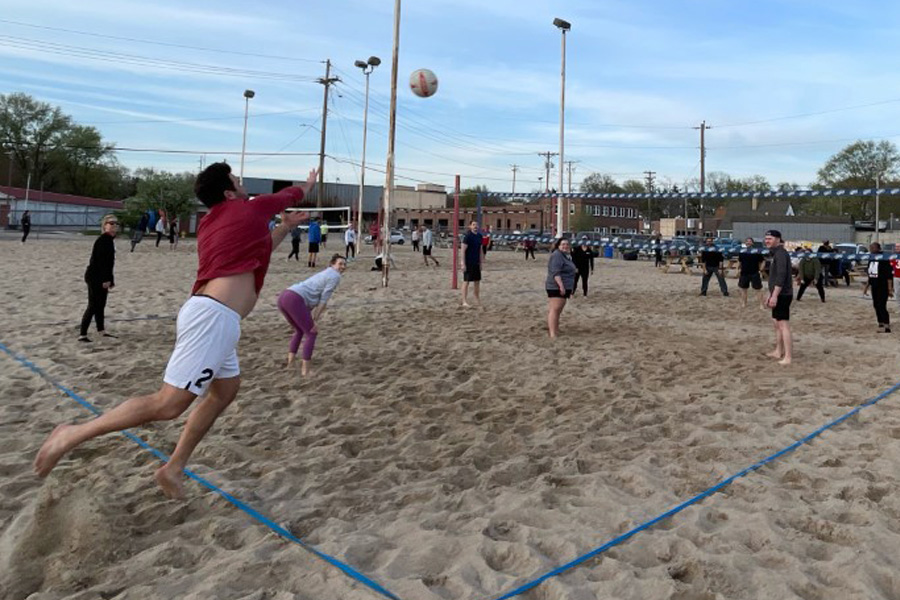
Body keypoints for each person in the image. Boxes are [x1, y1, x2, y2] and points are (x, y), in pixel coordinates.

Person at [35, 163, 317, 499]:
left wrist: (284, 227)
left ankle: (173, 467)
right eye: (236, 180)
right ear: (229, 193)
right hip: (213, 318)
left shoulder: (219, 222)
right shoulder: (247, 209)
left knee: (226, 391)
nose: (242, 183)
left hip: (216, 318)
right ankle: (71, 434)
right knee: (168, 405)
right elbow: (290, 194)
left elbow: (257, 252)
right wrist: (309, 183)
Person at [278, 254, 346, 377]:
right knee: (312, 332)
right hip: (294, 298)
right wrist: (315, 319)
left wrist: (311, 317)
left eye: (344, 264)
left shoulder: (325, 273)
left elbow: (309, 302)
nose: (343, 267)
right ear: (332, 264)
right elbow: (323, 300)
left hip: (284, 296)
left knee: (299, 330)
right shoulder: (334, 276)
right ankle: (306, 371)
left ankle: (290, 363)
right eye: (340, 264)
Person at [78, 214, 119, 343]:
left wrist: (110, 279)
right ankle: (82, 334)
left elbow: (109, 263)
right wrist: (105, 279)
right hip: (95, 276)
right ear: (105, 225)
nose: (113, 226)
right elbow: (101, 263)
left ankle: (101, 330)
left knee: (101, 304)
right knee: (93, 305)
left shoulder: (109, 240)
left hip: (101, 276)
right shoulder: (103, 240)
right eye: (111, 223)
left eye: (115, 224)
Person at [765, 230, 793, 365]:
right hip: (777, 293)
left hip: (783, 294)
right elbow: (773, 277)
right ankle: (778, 351)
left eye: (770, 238)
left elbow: (781, 277)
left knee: (783, 325)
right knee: (776, 324)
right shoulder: (775, 253)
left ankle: (788, 356)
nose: (767, 241)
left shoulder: (781, 254)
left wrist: (774, 295)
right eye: (766, 238)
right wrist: (769, 294)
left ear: (778, 240)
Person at [546, 238, 577, 339]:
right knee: (555, 309)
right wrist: (561, 286)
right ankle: (552, 333)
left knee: (557, 310)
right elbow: (556, 273)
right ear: (558, 246)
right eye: (563, 244)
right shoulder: (557, 255)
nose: (565, 246)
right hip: (556, 287)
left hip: (564, 285)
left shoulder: (565, 256)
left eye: (567, 244)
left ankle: (555, 329)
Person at [862, 242, 893, 333]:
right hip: (874, 285)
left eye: (872, 247)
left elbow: (889, 276)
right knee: (876, 305)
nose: (871, 249)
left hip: (883, 286)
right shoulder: (871, 258)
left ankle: (887, 326)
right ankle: (881, 322)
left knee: (882, 305)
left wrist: (890, 289)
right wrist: (866, 287)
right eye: (870, 247)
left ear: (878, 248)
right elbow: (870, 275)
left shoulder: (884, 259)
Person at [737, 237, 766, 309]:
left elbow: (763, 261)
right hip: (744, 273)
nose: (748, 242)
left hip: (754, 273)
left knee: (758, 289)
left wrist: (761, 269)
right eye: (747, 241)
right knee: (743, 289)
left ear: (752, 243)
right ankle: (744, 304)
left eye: (750, 241)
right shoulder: (742, 252)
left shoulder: (756, 251)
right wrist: (738, 270)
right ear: (745, 243)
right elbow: (739, 261)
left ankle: (761, 305)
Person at [460, 221, 483, 308]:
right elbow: (462, 250)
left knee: (477, 281)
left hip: (476, 262)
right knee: (466, 281)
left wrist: (481, 262)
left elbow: (480, 250)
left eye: (477, 225)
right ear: (470, 226)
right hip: (468, 262)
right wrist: (463, 263)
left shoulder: (479, 236)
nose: (475, 226)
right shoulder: (467, 236)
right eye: (473, 225)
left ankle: (477, 299)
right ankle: (464, 301)